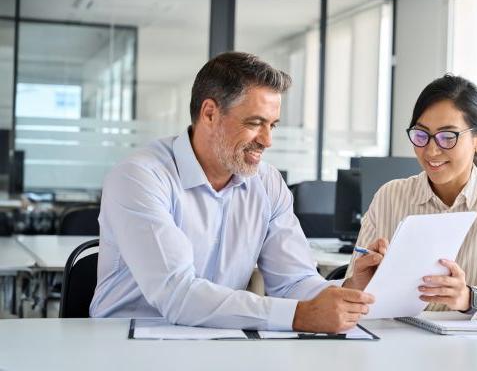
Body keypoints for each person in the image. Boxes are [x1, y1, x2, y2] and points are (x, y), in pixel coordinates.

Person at [90, 52, 384, 333]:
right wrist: (299, 315)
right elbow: (177, 294)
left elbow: (294, 280)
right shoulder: (140, 177)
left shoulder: (267, 183)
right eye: (255, 123)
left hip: (217, 338)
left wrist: (349, 294)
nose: (267, 141)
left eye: (273, 125)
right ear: (209, 113)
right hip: (127, 341)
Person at [347, 74, 477, 321]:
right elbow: (353, 291)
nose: (431, 150)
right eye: (421, 135)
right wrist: (358, 284)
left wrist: (468, 298)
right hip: (397, 343)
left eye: (447, 136)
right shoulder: (390, 196)